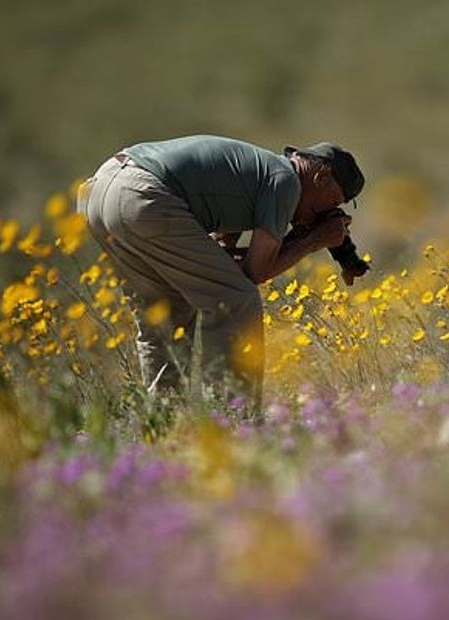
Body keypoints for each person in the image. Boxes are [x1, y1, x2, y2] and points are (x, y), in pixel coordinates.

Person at [78, 135, 365, 413]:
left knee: (166, 313)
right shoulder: (286, 180)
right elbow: (255, 272)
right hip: (142, 194)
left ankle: (163, 419)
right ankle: (232, 416)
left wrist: (302, 237)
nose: (325, 214)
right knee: (237, 300)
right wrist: (314, 240)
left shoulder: (254, 175)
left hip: (102, 192)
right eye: (333, 203)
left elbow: (224, 259)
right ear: (321, 176)